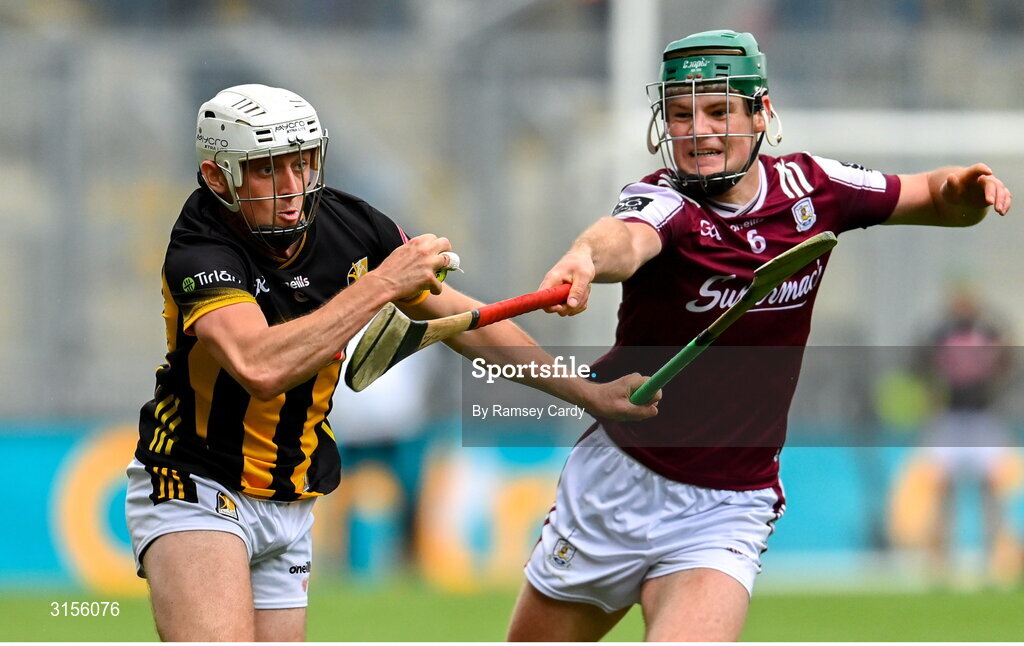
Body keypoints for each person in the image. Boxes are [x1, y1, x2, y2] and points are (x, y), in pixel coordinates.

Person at [506, 30, 1013, 642]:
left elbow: (932, 195)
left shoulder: (814, 188)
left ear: (761, 114)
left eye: (720, 110)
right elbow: (627, 236)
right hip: (619, 482)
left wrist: (963, 193)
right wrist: (584, 257)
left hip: (727, 504)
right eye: (680, 113)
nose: (698, 130)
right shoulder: (664, 200)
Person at [124, 84, 659, 642]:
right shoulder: (200, 248)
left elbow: (463, 318)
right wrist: (381, 284)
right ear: (218, 178)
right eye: (265, 170)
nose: (291, 189)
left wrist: (586, 388)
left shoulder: (350, 224)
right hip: (196, 482)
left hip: (290, 496)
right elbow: (260, 367)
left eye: (302, 165)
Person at [915, 283, 1015, 586]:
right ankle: (941, 563)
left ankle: (992, 562)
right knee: (943, 489)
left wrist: (996, 385)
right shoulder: (940, 332)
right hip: (950, 417)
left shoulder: (990, 331)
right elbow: (921, 364)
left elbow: (1008, 359)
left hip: (983, 417)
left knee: (991, 490)